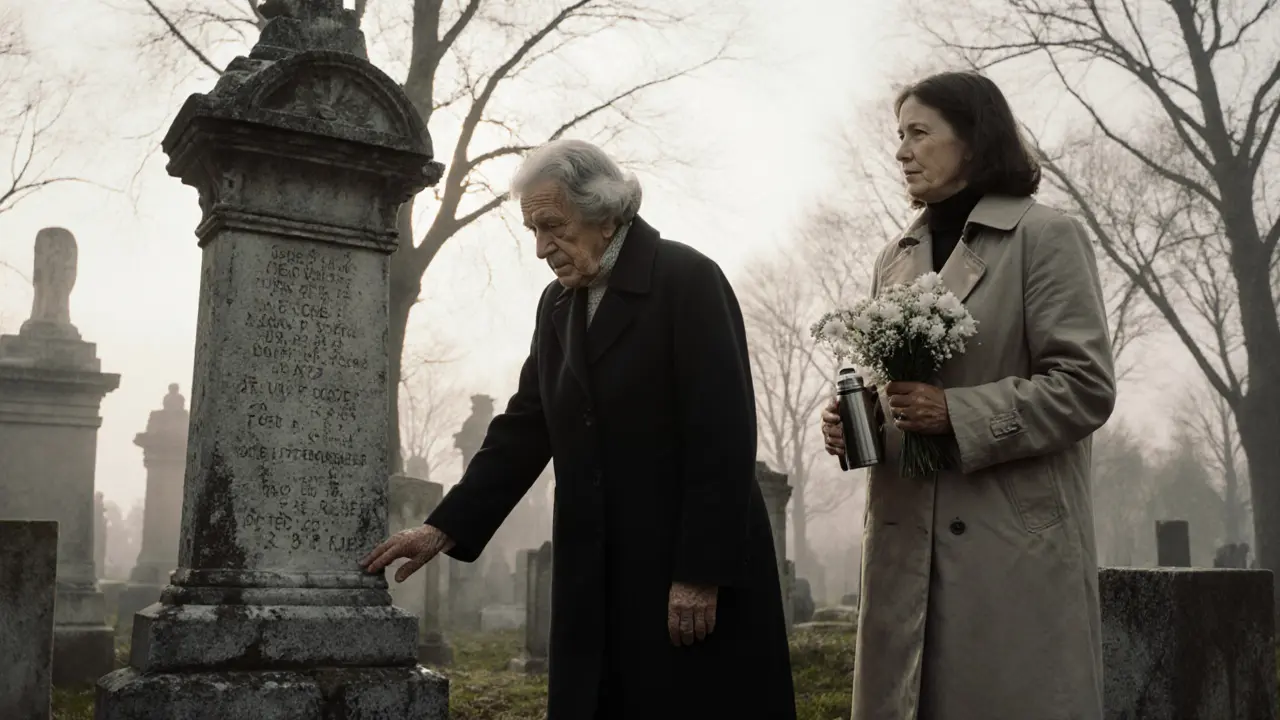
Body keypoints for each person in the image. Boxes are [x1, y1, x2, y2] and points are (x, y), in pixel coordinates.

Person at [362, 138, 796, 720]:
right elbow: (525, 425)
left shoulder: (686, 280)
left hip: (678, 570)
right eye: (533, 231)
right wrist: (446, 525)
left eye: (552, 226)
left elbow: (723, 435)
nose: (542, 248)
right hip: (593, 570)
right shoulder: (559, 305)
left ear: (606, 211)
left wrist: (699, 574)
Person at [820, 71, 1116, 720]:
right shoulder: (893, 259)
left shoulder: (1047, 237)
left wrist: (956, 413)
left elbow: (1085, 388)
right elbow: (892, 385)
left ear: (975, 142)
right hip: (904, 551)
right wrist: (859, 419)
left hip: (1008, 554)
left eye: (919, 134)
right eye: (899, 136)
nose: (901, 151)